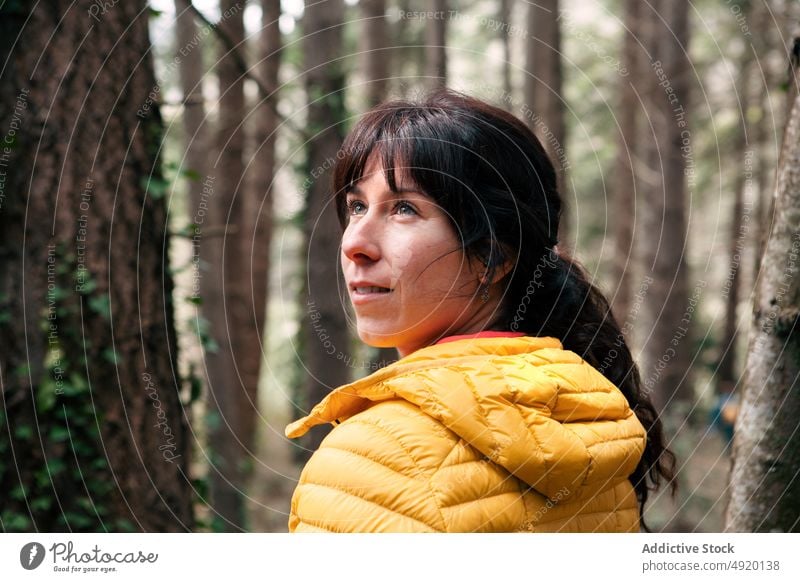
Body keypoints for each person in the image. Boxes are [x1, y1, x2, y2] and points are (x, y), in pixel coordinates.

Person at [285, 89, 675, 532]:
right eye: (357, 206)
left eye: (405, 209)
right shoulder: (584, 413)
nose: (354, 243)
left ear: (492, 257)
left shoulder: (373, 459)